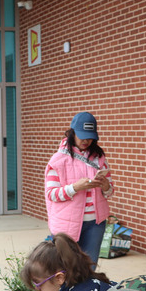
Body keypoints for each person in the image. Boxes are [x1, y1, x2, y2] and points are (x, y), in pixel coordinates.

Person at [45, 112, 113, 264]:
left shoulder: (99, 157)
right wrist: (75, 187)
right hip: (66, 224)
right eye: (82, 136)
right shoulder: (58, 160)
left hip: (95, 223)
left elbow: (109, 192)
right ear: (72, 133)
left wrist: (105, 185)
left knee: (90, 268)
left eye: (90, 137)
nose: (86, 140)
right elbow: (51, 194)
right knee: (66, 268)